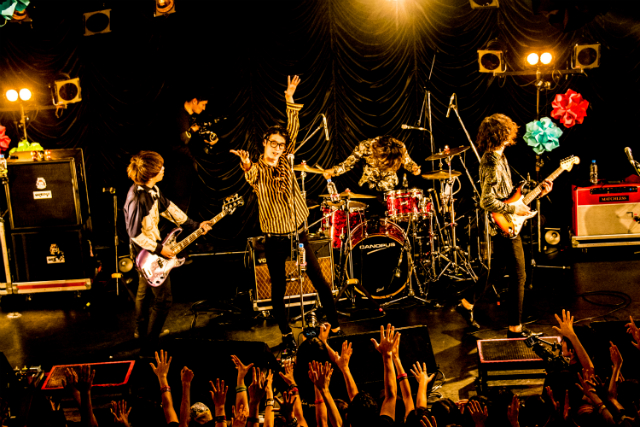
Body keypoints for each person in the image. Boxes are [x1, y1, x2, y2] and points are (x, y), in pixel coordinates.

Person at [231, 75, 342, 351]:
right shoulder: (259, 170)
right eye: (274, 144)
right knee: (278, 287)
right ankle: (284, 333)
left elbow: (293, 129)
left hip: (299, 233)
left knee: (319, 280)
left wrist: (289, 99)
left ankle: (336, 325)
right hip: (276, 239)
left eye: (281, 145)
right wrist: (246, 164)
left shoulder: (286, 161)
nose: (278, 148)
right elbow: (250, 175)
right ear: (264, 142)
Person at [455, 113, 552, 338]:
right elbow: (486, 201)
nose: (512, 134)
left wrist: (538, 192)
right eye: (508, 131)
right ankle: (515, 328)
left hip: (505, 219)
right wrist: (514, 211)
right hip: (503, 224)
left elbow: (509, 195)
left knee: (497, 269)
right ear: (501, 135)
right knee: (519, 276)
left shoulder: (500, 158)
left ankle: (466, 303)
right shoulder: (491, 162)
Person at [124, 151, 212, 355]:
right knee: (163, 300)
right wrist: (159, 249)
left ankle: (141, 332)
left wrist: (195, 225)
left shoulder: (151, 190)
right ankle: (149, 345)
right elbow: (134, 234)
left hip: (148, 249)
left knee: (143, 291)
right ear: (150, 174)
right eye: (159, 168)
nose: (163, 169)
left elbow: (169, 208)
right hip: (146, 252)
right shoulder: (138, 199)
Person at [322, 135, 422, 215]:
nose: (384, 163)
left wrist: (414, 168)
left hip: (389, 188)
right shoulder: (365, 146)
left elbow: (407, 162)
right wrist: (334, 171)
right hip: (368, 187)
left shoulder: (399, 147)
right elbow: (348, 163)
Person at [165, 90, 219, 213]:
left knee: (184, 206)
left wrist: (207, 142)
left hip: (185, 167)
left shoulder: (189, 118)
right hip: (178, 169)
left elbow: (190, 143)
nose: (204, 108)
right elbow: (183, 139)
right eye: (203, 104)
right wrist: (193, 130)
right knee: (179, 206)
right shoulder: (179, 115)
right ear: (194, 101)